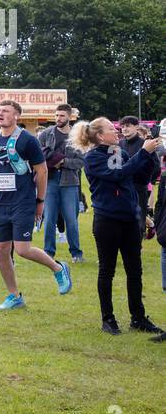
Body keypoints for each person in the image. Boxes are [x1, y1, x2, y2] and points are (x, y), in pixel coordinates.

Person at [72, 118, 162, 336]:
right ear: (100, 136)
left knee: (135, 271)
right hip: (108, 220)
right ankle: (108, 319)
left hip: (129, 218)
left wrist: (149, 155)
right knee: (107, 270)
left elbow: (139, 176)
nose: (118, 131)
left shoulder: (117, 151)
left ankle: (138, 318)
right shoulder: (93, 157)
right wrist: (142, 152)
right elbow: (117, 175)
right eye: (112, 129)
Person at [0, 100, 73, 310]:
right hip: (0, 202)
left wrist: (40, 201)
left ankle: (57, 267)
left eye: (6, 111)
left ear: (16, 115)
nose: (1, 114)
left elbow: (42, 171)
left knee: (22, 250)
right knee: (0, 249)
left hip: (23, 201)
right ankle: (14, 295)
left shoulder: (27, 140)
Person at [39, 103, 85, 263]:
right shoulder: (45, 134)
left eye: (62, 116)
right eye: (57, 115)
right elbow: (38, 155)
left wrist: (63, 162)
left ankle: (76, 253)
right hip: (50, 180)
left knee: (71, 219)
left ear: (69, 116)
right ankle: (48, 253)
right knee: (49, 218)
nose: (58, 119)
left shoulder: (77, 136)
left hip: (70, 181)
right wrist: (51, 162)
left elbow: (81, 161)